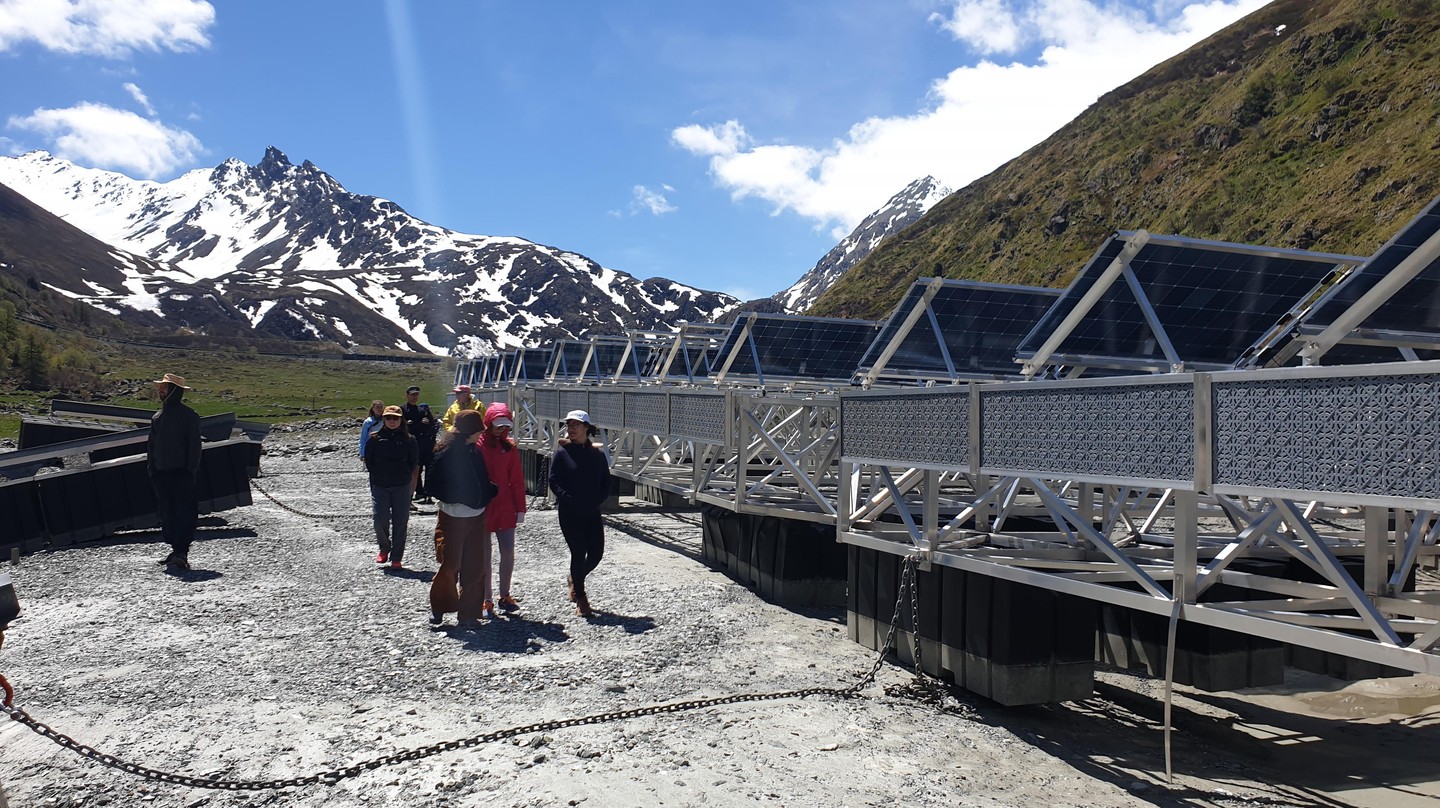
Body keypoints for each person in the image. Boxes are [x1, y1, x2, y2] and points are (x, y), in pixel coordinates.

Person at [428, 409, 498, 628]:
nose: (481, 434)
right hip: (453, 516)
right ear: (471, 431)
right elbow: (432, 485)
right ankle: (439, 607)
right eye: (479, 430)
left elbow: (483, 480)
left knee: (475, 567)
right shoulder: (445, 453)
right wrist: (464, 497)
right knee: (450, 564)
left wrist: (488, 493)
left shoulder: (474, 451)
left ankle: (468, 614)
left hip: (477, 517)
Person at [548, 409, 612, 618]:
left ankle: (575, 579)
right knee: (578, 551)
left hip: (592, 511)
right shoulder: (562, 453)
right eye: (569, 424)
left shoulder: (597, 454)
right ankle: (581, 597)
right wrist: (566, 498)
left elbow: (606, 483)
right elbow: (554, 480)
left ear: (586, 428)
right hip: (569, 512)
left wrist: (598, 499)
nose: (571, 428)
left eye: (576, 424)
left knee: (596, 554)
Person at [147, 372, 202, 572]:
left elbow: (195, 447)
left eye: (165, 388)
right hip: (161, 474)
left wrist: (190, 471)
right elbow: (151, 448)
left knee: (184, 513)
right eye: (161, 388)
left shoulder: (189, 416)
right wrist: (152, 470)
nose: (161, 391)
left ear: (175, 392)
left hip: (182, 473)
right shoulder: (157, 418)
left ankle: (182, 551)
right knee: (167, 513)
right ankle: (175, 549)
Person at [478, 402, 527, 612]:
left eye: (504, 425)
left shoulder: (510, 446)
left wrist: (520, 508)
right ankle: (486, 597)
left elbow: (516, 479)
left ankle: (504, 594)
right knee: (484, 554)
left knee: (508, 552)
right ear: (488, 423)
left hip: (505, 505)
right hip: (483, 505)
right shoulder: (478, 445)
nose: (501, 429)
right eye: (498, 425)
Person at [365, 405, 418, 569]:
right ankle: (384, 548)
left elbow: (413, 461)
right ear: (384, 419)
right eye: (389, 418)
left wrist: (404, 476)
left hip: (401, 485)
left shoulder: (410, 440)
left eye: (395, 418)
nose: (392, 421)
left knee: (401, 521)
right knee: (379, 518)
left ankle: (397, 557)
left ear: (401, 420)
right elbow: (369, 462)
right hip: (380, 485)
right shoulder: (374, 439)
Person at [402, 385, 438, 503]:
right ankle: (412, 494)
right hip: (409, 445)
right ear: (407, 395)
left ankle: (426, 493)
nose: (414, 397)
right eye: (412, 395)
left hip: (424, 444)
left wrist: (415, 425)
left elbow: (430, 425)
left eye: (416, 395)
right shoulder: (402, 410)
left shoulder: (422, 410)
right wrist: (417, 425)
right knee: (413, 470)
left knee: (427, 468)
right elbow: (404, 427)